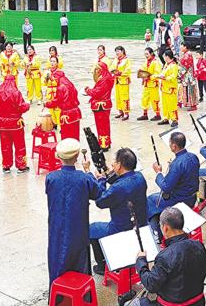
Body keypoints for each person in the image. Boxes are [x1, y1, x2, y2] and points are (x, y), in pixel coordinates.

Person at [45, 138, 101, 288]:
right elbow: (97, 193)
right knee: (79, 262)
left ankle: (56, 292)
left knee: (57, 258)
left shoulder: (50, 178)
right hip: (77, 229)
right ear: (77, 157)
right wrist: (89, 172)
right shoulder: (83, 179)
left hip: (56, 228)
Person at [85, 148, 147, 274]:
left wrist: (99, 178)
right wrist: (108, 175)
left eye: (114, 162)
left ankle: (102, 265)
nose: (112, 164)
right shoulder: (140, 177)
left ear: (119, 165)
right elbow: (120, 182)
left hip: (121, 228)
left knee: (91, 229)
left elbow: (100, 202)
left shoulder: (119, 188)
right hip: (140, 224)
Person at [136, 207, 206, 306]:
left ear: (165, 228)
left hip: (171, 304)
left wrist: (141, 261)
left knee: (134, 303)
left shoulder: (165, 257)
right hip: (198, 301)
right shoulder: (198, 245)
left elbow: (151, 285)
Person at [147, 132, 199, 240]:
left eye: (170, 143)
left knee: (150, 200)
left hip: (180, 200)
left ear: (174, 146)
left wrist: (158, 173)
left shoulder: (177, 163)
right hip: (192, 196)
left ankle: (157, 234)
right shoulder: (193, 157)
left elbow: (166, 187)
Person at [0, 75, 31, 173]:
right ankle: (21, 166)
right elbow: (21, 107)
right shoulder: (16, 93)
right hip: (15, 123)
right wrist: (27, 105)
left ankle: (6, 166)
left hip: (2, 123)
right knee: (19, 145)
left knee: (5, 146)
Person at [85, 61, 114, 150]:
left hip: (101, 105)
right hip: (105, 104)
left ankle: (103, 144)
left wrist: (88, 91)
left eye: (98, 69)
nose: (96, 71)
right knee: (105, 125)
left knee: (101, 126)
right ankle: (106, 142)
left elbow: (97, 92)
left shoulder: (104, 80)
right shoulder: (107, 78)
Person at [45, 71, 82, 140]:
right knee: (75, 134)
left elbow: (56, 101)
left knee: (67, 136)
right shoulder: (70, 84)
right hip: (76, 112)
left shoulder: (60, 87)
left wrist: (47, 104)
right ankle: (76, 149)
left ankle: (69, 150)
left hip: (67, 114)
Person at [137, 47, 162, 121]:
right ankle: (145, 114)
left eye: (147, 54)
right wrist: (140, 72)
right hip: (146, 84)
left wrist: (149, 77)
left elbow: (157, 74)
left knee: (155, 100)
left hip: (153, 84)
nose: (146, 55)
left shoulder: (156, 62)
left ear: (151, 53)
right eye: (145, 54)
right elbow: (142, 69)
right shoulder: (146, 62)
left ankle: (158, 114)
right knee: (144, 99)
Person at [156, 50, 179, 127]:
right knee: (165, 104)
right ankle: (166, 118)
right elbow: (163, 73)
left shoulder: (174, 66)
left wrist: (164, 78)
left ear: (167, 57)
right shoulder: (166, 64)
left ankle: (174, 119)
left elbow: (173, 77)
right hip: (164, 88)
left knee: (172, 105)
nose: (163, 57)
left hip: (171, 89)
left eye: (164, 56)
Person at [111, 46, 132, 120]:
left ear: (123, 51)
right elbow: (112, 68)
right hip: (116, 81)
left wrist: (120, 73)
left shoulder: (126, 60)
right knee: (118, 97)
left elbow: (128, 70)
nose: (117, 53)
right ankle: (120, 111)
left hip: (124, 81)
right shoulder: (115, 59)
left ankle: (126, 113)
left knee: (125, 97)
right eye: (116, 51)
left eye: (118, 51)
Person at [44, 56, 63, 128]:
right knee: (50, 109)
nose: (52, 63)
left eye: (54, 61)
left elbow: (61, 82)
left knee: (58, 109)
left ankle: (60, 125)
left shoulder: (60, 72)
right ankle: (54, 123)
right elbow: (43, 83)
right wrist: (46, 79)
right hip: (49, 91)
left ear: (57, 63)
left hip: (56, 92)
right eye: (51, 61)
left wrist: (53, 79)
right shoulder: (47, 72)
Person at [177, 44, 198, 111]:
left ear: (186, 47)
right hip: (187, 76)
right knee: (188, 90)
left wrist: (179, 74)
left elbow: (185, 67)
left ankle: (193, 105)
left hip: (189, 76)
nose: (181, 47)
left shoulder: (187, 55)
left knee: (191, 90)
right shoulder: (186, 54)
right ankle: (190, 104)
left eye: (182, 46)